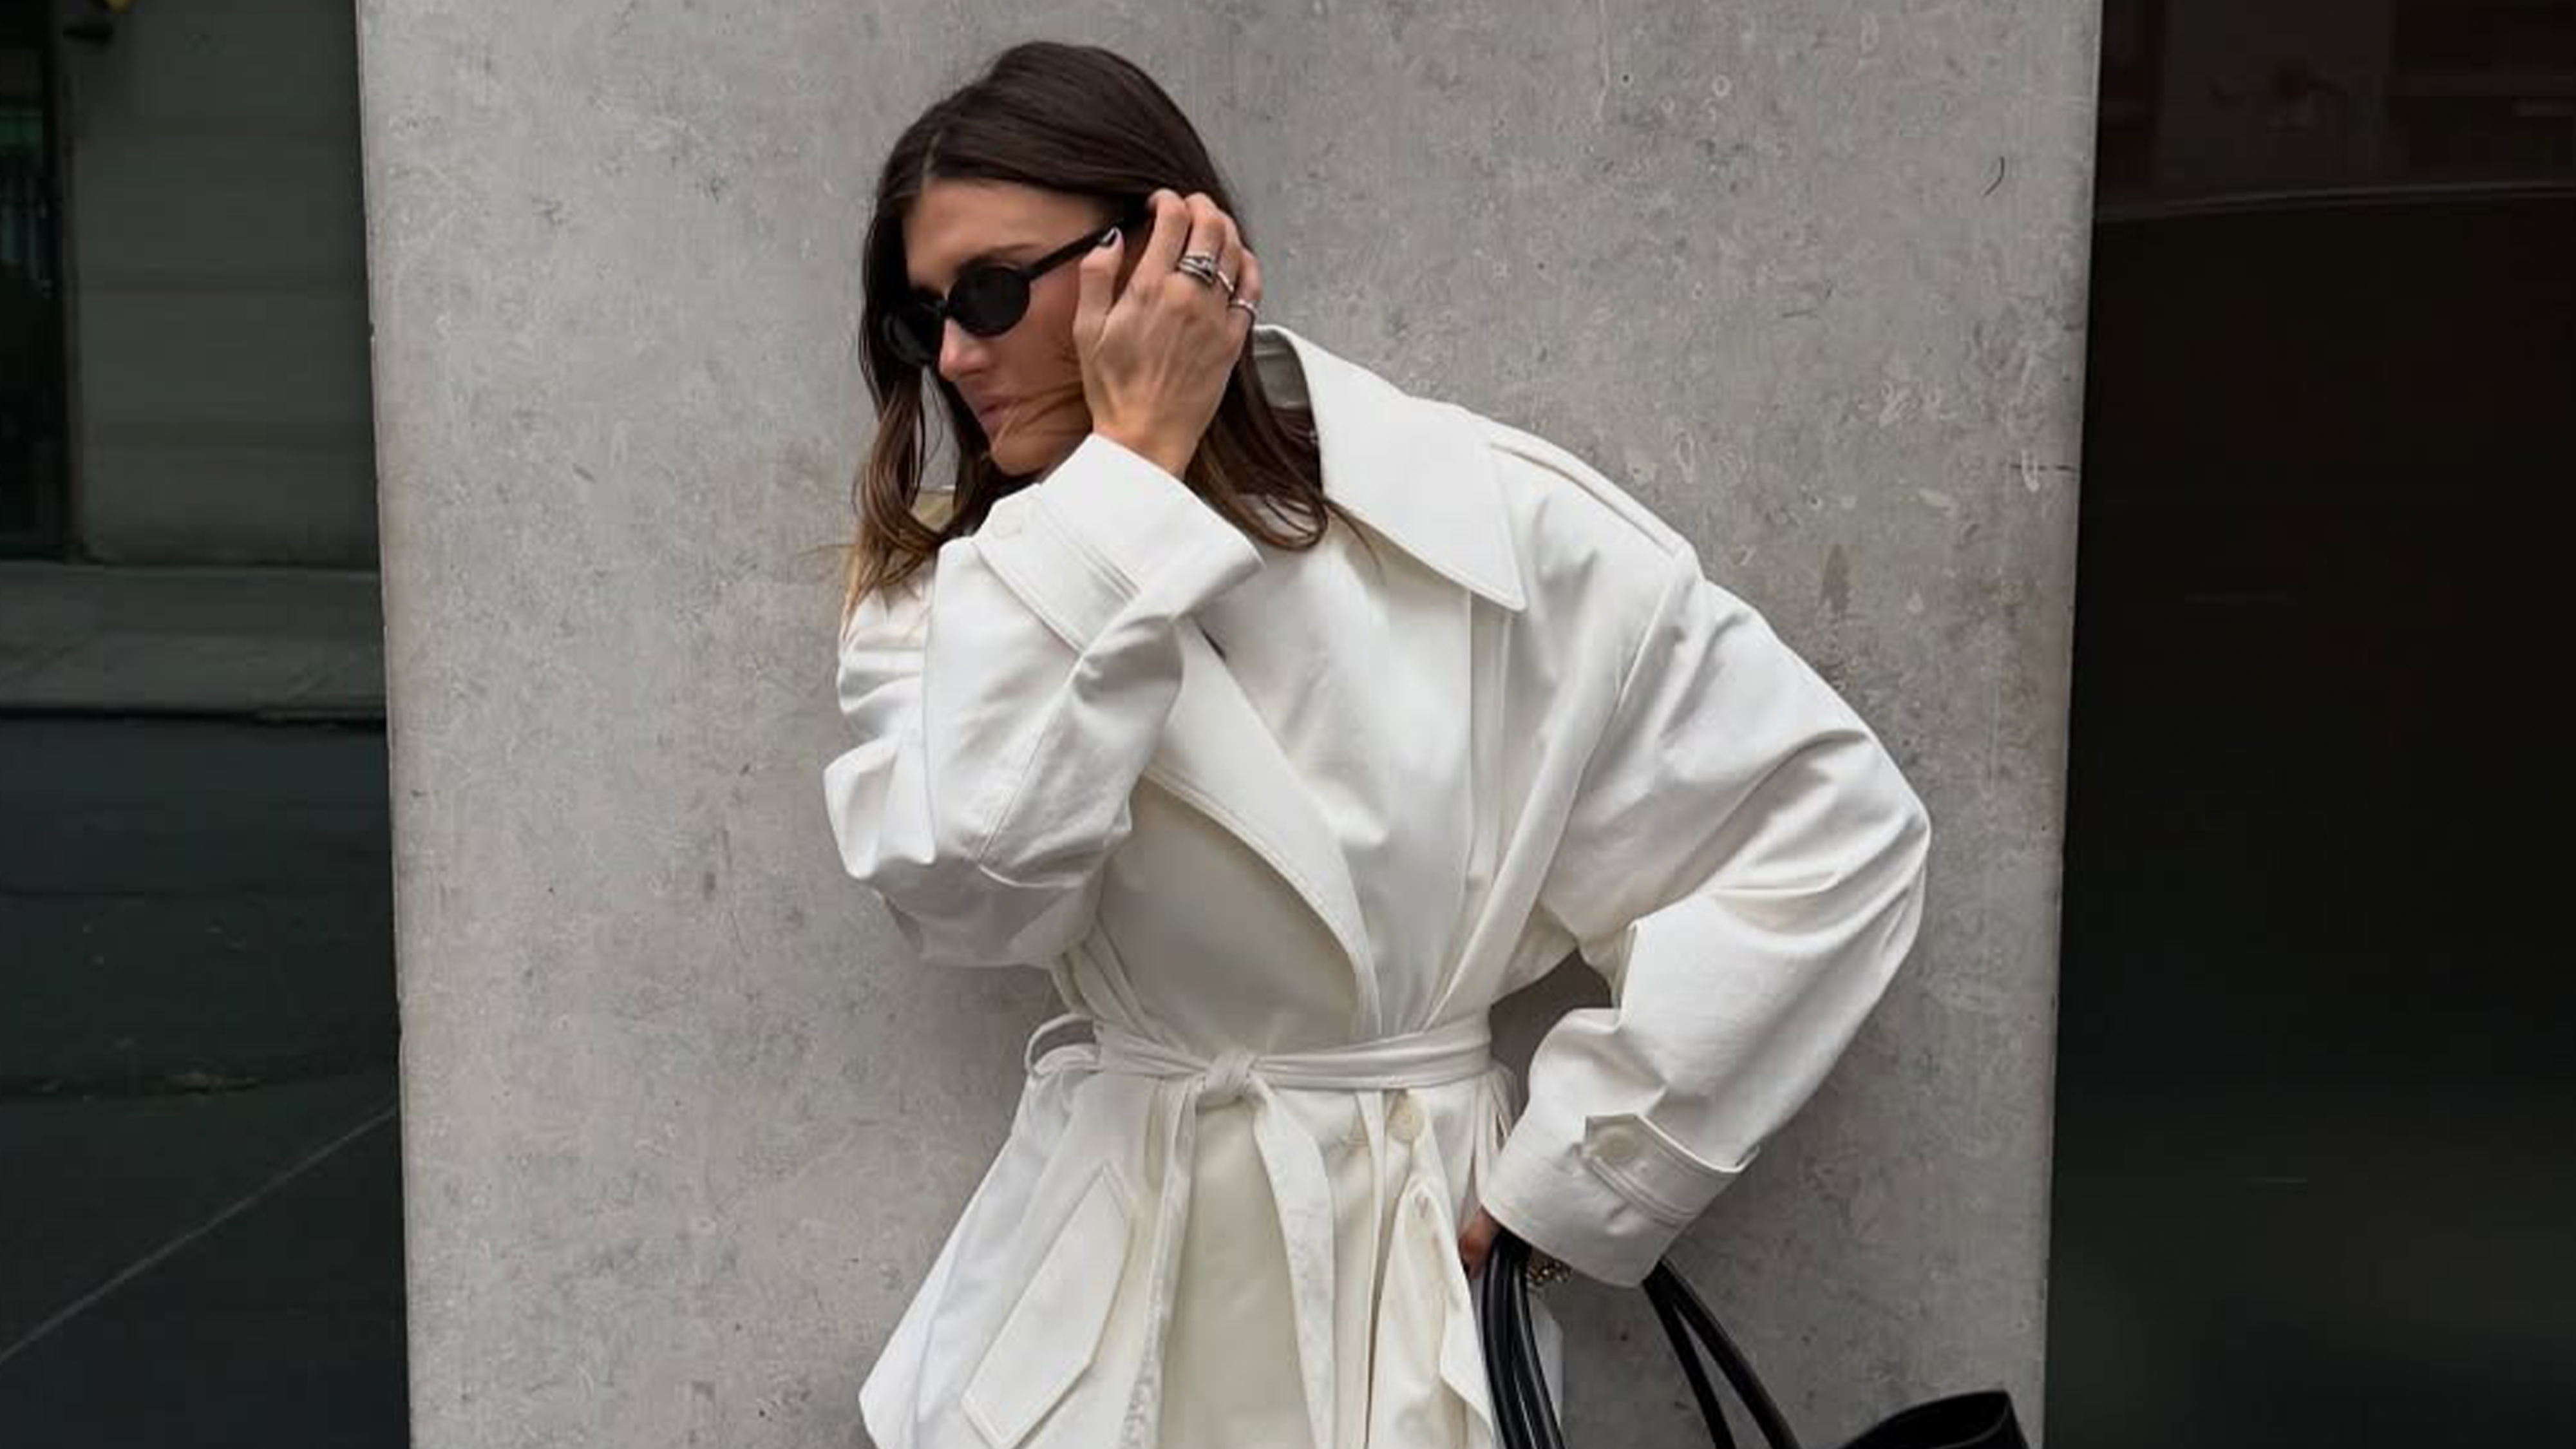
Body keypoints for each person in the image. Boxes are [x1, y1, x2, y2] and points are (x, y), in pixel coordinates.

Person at [823, 39, 1933, 1449]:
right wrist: (1128, 477)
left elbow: (1829, 833)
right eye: (922, 319)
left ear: (1162, 249)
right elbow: (974, 885)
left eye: (988, 292)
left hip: (1398, 1287)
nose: (958, 356)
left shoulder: (1481, 526)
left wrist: (1583, 1177)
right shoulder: (953, 599)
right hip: (1091, 1303)